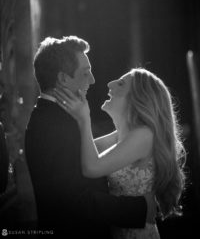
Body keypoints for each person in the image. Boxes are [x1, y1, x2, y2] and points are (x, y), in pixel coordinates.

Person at [25, 36, 156, 238]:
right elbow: (74, 201)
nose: (93, 80)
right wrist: (140, 208)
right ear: (63, 79)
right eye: (85, 73)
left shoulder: (57, 118)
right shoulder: (54, 125)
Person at [54, 67, 186, 239]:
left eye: (121, 83)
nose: (110, 83)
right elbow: (79, 153)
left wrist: (84, 119)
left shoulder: (144, 135)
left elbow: (91, 167)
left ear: (138, 99)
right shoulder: (122, 136)